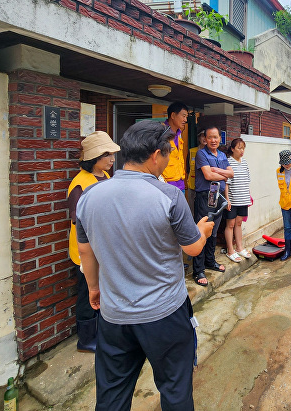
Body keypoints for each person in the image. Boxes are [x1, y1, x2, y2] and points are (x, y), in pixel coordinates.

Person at [75, 121, 214, 410]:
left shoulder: (89, 197)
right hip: (164, 314)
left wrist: (93, 288)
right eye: (167, 153)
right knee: (175, 391)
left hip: (114, 317)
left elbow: (85, 251)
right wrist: (202, 230)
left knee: (112, 396)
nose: (167, 159)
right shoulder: (169, 196)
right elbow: (192, 248)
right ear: (155, 155)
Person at [67, 131, 119, 353]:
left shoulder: (105, 177)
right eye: (107, 155)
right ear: (94, 157)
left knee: (100, 291)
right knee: (87, 292)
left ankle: (100, 333)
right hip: (86, 250)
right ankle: (86, 339)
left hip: (102, 247)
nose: (112, 159)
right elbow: (77, 219)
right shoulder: (80, 183)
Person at [193, 126, 234, 286]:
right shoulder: (201, 154)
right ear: (205, 138)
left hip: (219, 196)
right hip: (205, 197)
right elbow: (208, 175)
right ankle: (198, 270)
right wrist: (223, 173)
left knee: (214, 231)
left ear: (220, 138)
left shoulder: (223, 154)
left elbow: (231, 174)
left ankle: (210, 261)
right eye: (210, 137)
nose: (213, 140)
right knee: (202, 230)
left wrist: (217, 170)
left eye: (216, 137)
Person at [224, 138, 252, 262]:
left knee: (239, 223)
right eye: (239, 148)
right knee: (230, 224)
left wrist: (248, 197)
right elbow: (226, 183)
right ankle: (230, 251)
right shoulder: (228, 163)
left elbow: (247, 180)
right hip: (233, 199)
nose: (242, 151)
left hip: (243, 199)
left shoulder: (244, 162)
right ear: (232, 149)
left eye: (243, 148)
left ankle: (239, 248)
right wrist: (227, 199)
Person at [162, 102, 189, 192]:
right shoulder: (161, 133)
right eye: (183, 116)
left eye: (186, 117)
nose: (185, 120)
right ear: (173, 115)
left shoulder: (179, 134)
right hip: (166, 184)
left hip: (180, 184)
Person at [187, 130, 206, 214]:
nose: (204, 138)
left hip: (205, 187)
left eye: (206, 136)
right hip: (192, 186)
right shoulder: (192, 151)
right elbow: (187, 168)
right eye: (202, 136)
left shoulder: (213, 153)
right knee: (191, 210)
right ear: (199, 138)